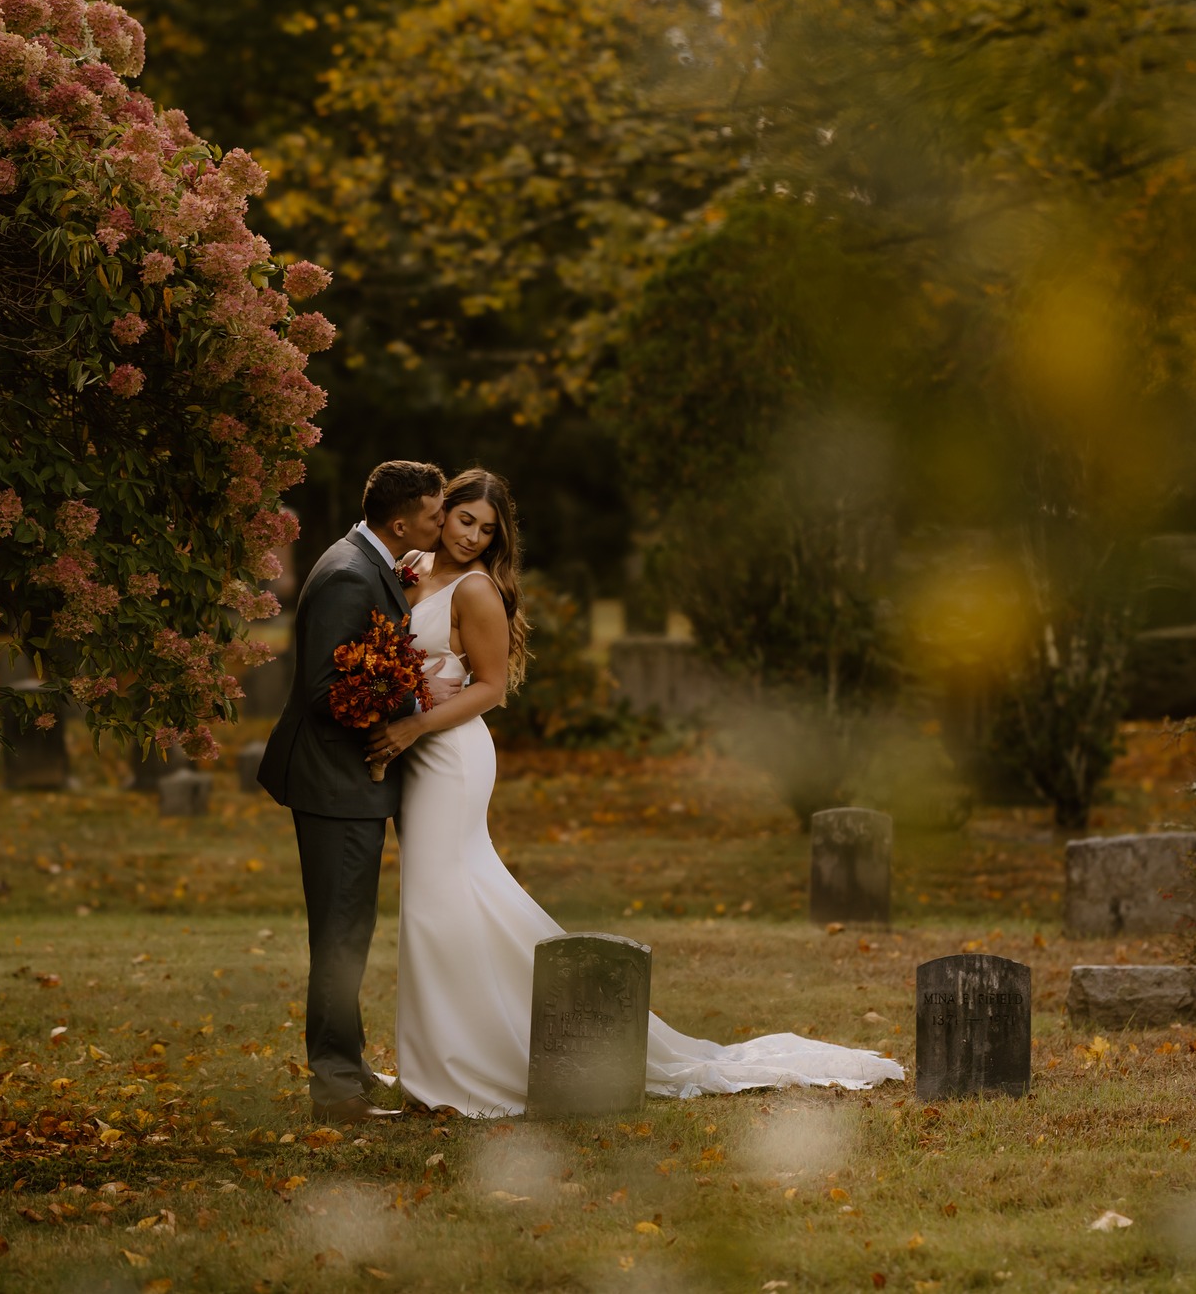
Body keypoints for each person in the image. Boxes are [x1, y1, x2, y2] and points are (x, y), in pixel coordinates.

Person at [366, 468, 904, 1116]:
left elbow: (491, 687)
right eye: (464, 520)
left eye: (487, 528)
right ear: (440, 511)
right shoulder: (411, 565)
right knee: (440, 899)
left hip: (449, 755)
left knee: (443, 897)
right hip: (416, 750)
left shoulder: (478, 589)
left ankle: (460, 1069)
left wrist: (414, 722)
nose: (474, 537)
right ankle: (445, 1059)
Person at [257, 460, 445, 1123]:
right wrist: (412, 695)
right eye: (434, 512)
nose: (442, 520)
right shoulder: (346, 574)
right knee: (339, 936)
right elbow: (323, 691)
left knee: (350, 932)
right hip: (334, 784)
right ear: (401, 522)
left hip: (348, 787)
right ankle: (335, 1086)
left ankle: (350, 1064)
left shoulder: (371, 564)